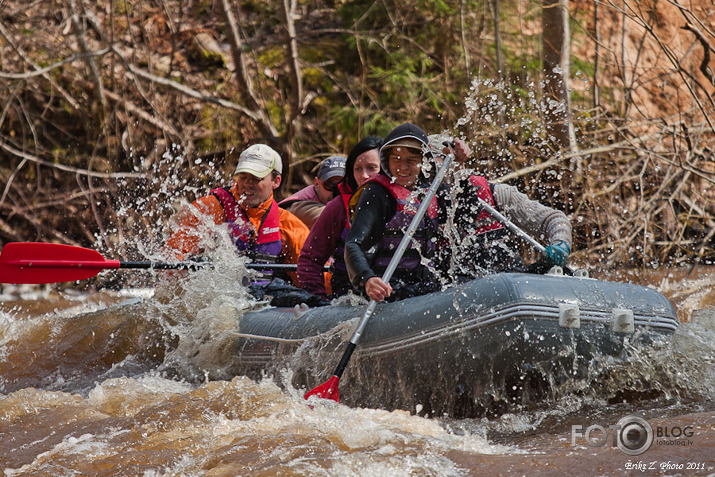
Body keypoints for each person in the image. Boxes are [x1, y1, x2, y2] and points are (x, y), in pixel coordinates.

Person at [428, 134, 572, 282]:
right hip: (455, 290)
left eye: (448, 160)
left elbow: (552, 218)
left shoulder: (498, 194)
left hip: (512, 280)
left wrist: (561, 243)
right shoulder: (419, 206)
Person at [165, 143, 310, 286]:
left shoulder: (289, 225)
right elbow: (171, 259)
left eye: (256, 178)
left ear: (276, 181)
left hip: (265, 304)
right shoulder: (209, 209)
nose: (248, 183)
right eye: (243, 177)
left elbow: (311, 278)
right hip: (218, 301)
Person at [344, 123, 445, 303]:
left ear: (424, 162)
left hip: (426, 289)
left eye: (412, 160)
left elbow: (468, 212)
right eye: (396, 159)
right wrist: (367, 279)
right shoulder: (376, 194)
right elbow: (354, 244)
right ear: (386, 161)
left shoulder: (433, 191)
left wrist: (460, 161)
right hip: (391, 291)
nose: (403, 167)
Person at [297, 136, 383, 299]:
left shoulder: (402, 203)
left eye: (371, 168)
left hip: (394, 295)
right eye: (358, 169)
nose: (364, 175)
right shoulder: (337, 208)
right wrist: (318, 299)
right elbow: (309, 260)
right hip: (348, 297)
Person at [278, 155, 347, 228]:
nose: (336, 192)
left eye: (343, 186)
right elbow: (337, 217)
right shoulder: (302, 207)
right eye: (330, 185)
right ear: (317, 183)